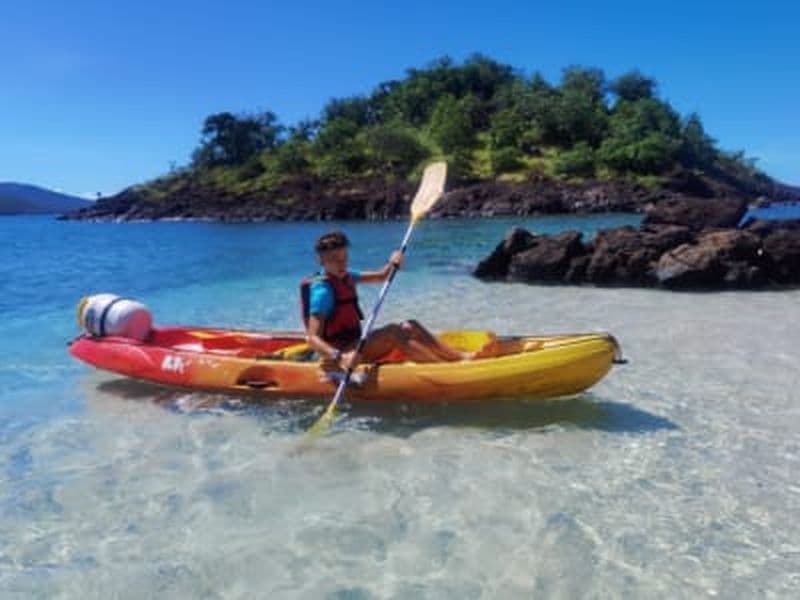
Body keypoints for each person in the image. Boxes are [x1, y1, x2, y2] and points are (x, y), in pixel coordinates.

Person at [301, 231, 471, 371]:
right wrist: (339, 357)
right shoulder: (322, 292)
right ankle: (443, 369)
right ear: (321, 261)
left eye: (344, 257)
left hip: (355, 345)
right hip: (342, 355)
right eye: (334, 259)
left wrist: (393, 261)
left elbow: (382, 276)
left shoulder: (346, 276)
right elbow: (312, 338)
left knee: (410, 325)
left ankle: (460, 357)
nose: (341, 263)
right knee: (393, 332)